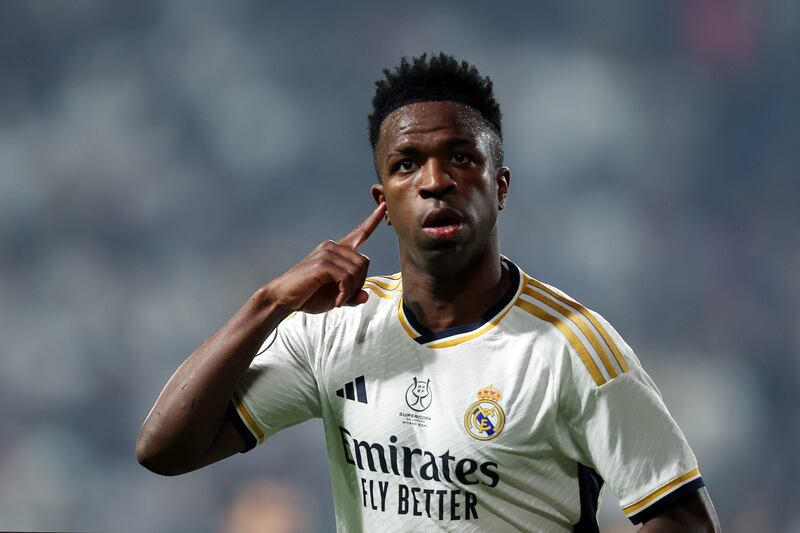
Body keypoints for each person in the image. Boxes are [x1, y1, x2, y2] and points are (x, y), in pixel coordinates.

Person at [136, 53, 720, 532]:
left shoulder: (574, 348)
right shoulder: (334, 327)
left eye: (461, 158)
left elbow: (684, 521)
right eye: (407, 164)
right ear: (383, 201)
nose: (435, 180)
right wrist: (269, 304)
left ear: (501, 186)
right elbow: (164, 451)